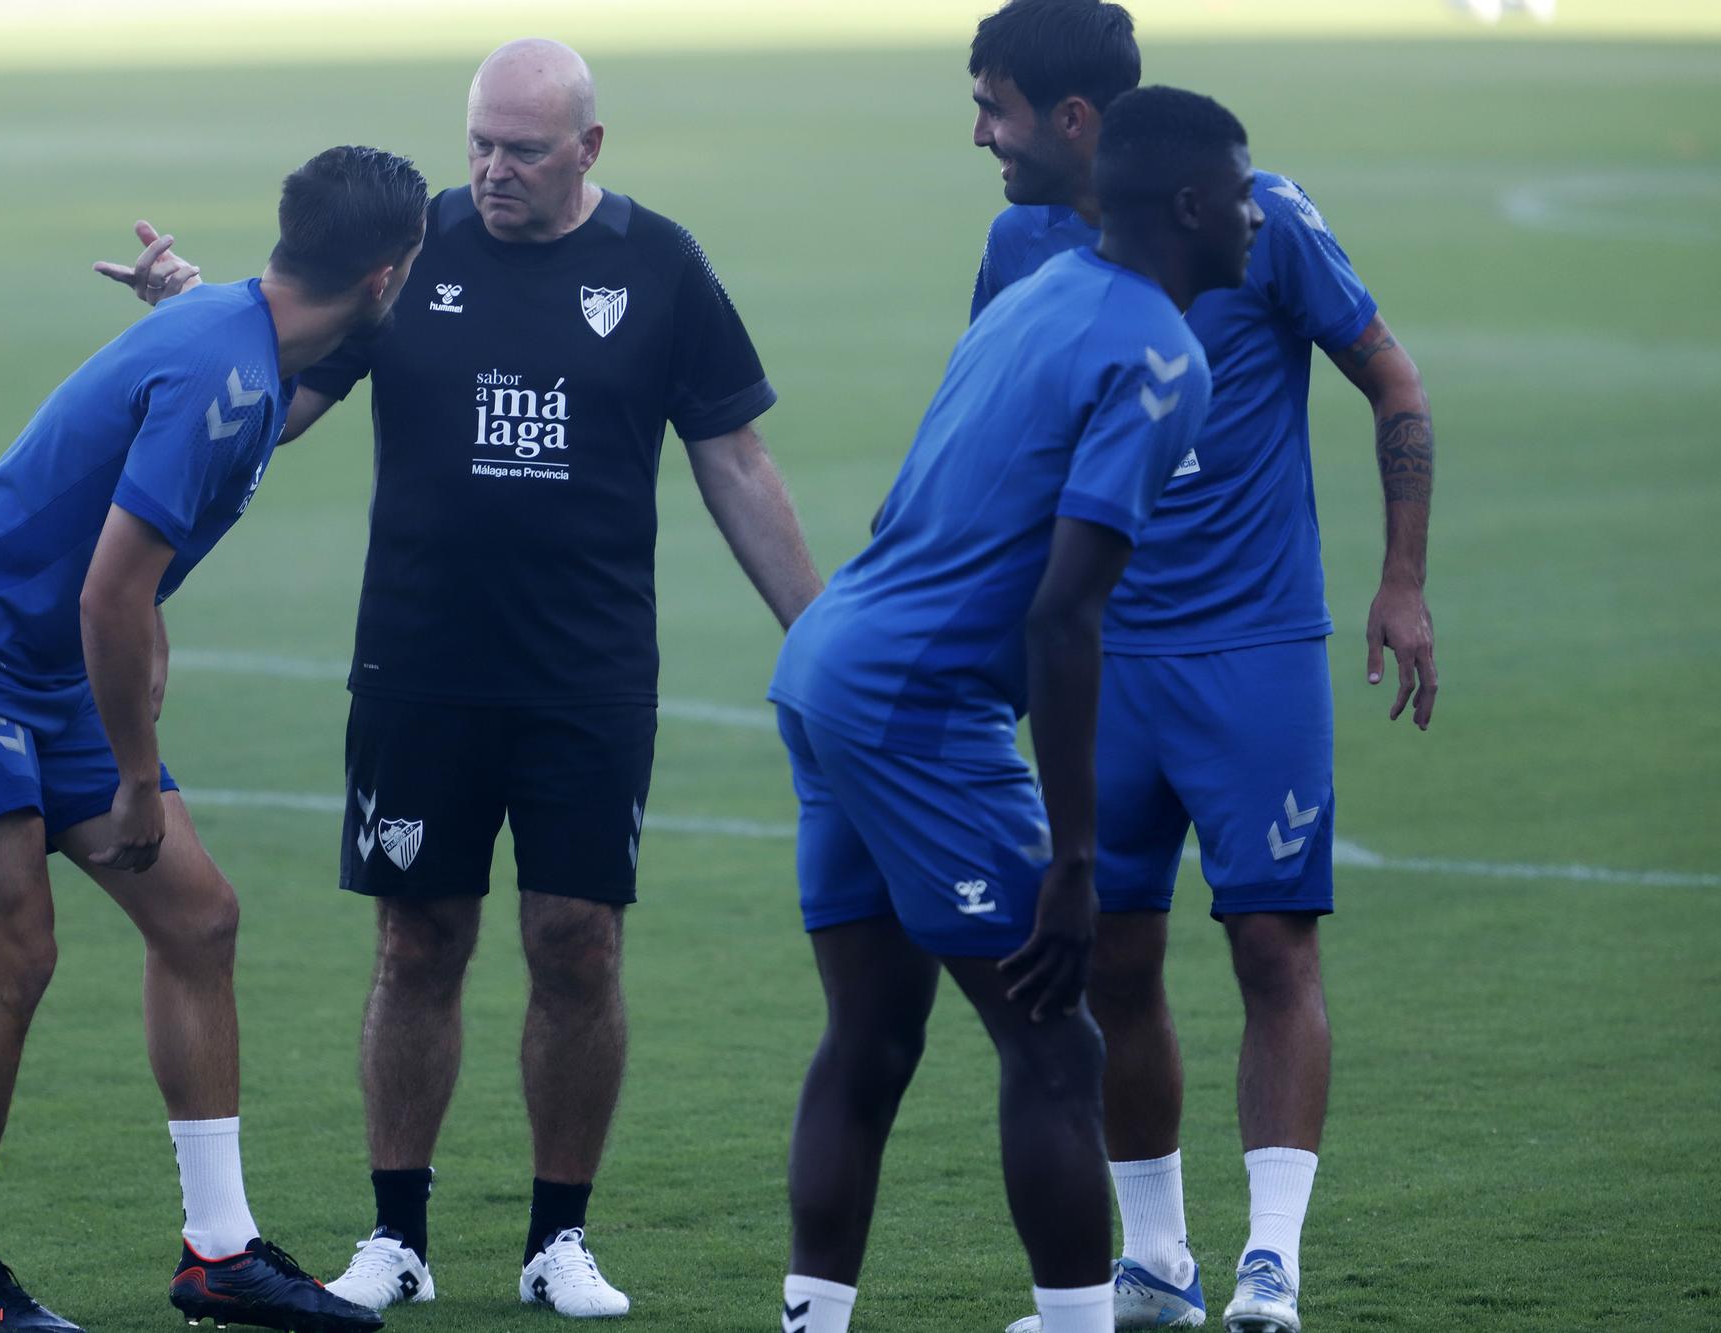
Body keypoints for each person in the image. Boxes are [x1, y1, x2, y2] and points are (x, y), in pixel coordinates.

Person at [94, 38, 822, 1320]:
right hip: (418, 665)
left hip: (588, 675)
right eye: (477, 142)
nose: (489, 170)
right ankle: (397, 1235)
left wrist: (817, 636)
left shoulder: (659, 265)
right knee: (416, 938)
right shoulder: (410, 249)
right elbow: (282, 385)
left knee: (576, 944)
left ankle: (558, 1241)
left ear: (588, 150)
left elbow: (735, 460)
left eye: (522, 150)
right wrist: (199, 315)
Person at [0, 146, 428, 1333]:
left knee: (198, 919)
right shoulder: (228, 369)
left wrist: (183, 297)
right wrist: (133, 781)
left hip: (47, 663)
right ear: (383, 274)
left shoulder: (240, 338)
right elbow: (113, 596)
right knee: (16, 954)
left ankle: (218, 1254)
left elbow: (228, 407)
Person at [962, 4, 1440, 1332]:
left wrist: (1399, 583)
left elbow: (1392, 381)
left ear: (1070, 119)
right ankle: (1156, 1264)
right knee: (1110, 958)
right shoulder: (1020, 246)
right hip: (1095, 658)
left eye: (994, 106)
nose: (981, 134)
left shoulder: (1255, 217)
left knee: (1273, 946)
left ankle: (1271, 1265)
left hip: (1254, 653)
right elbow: (1003, 441)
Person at [767, 85, 1263, 1333]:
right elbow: (1062, 614)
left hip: (830, 662)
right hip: (916, 702)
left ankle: (810, 1321)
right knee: (1058, 1044)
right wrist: (1076, 859)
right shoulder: (1159, 355)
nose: (1259, 218)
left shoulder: (1038, 296)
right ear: (1195, 207)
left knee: (871, 1036)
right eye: (1246, 195)